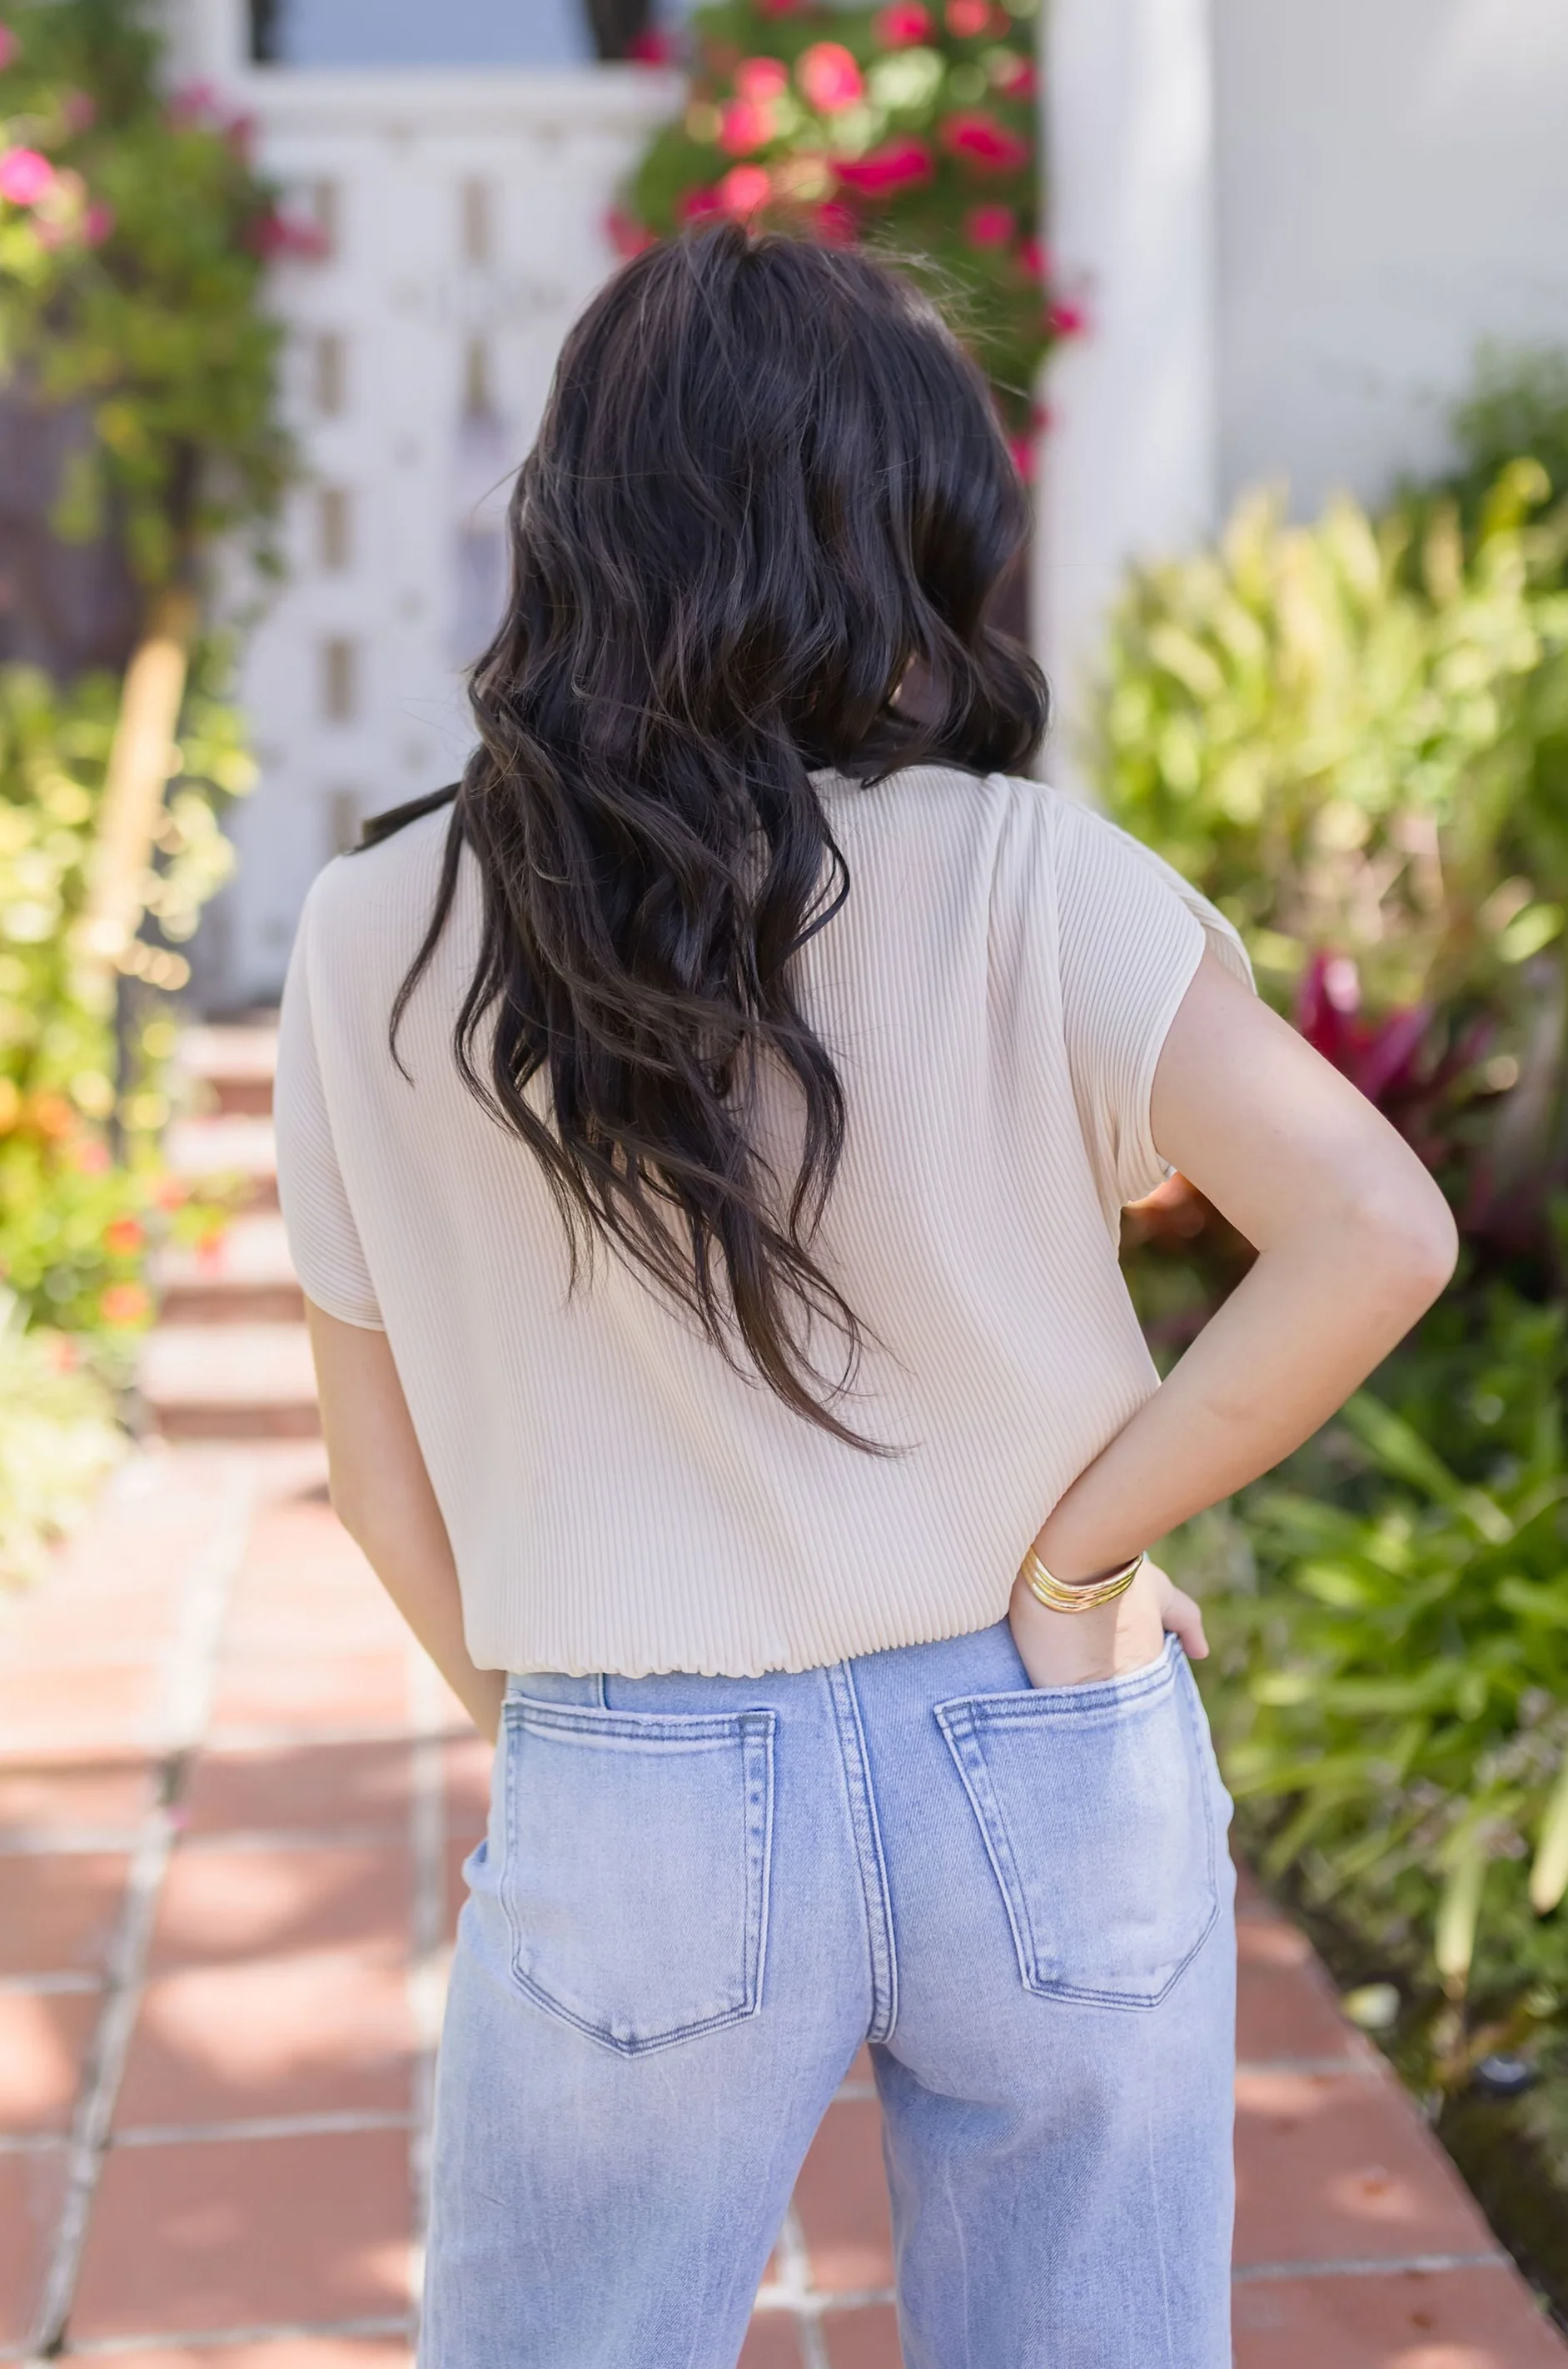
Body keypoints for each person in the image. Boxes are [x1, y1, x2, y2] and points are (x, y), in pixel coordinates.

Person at [274, 227, 1456, 2369]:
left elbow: (375, 1487)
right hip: (1045, 1735)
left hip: (634, 1757)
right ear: (914, 524)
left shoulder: (374, 929)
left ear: (575, 516)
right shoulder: (1030, 875)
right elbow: (1374, 1230)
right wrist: (1087, 1549)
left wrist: (589, 1749)